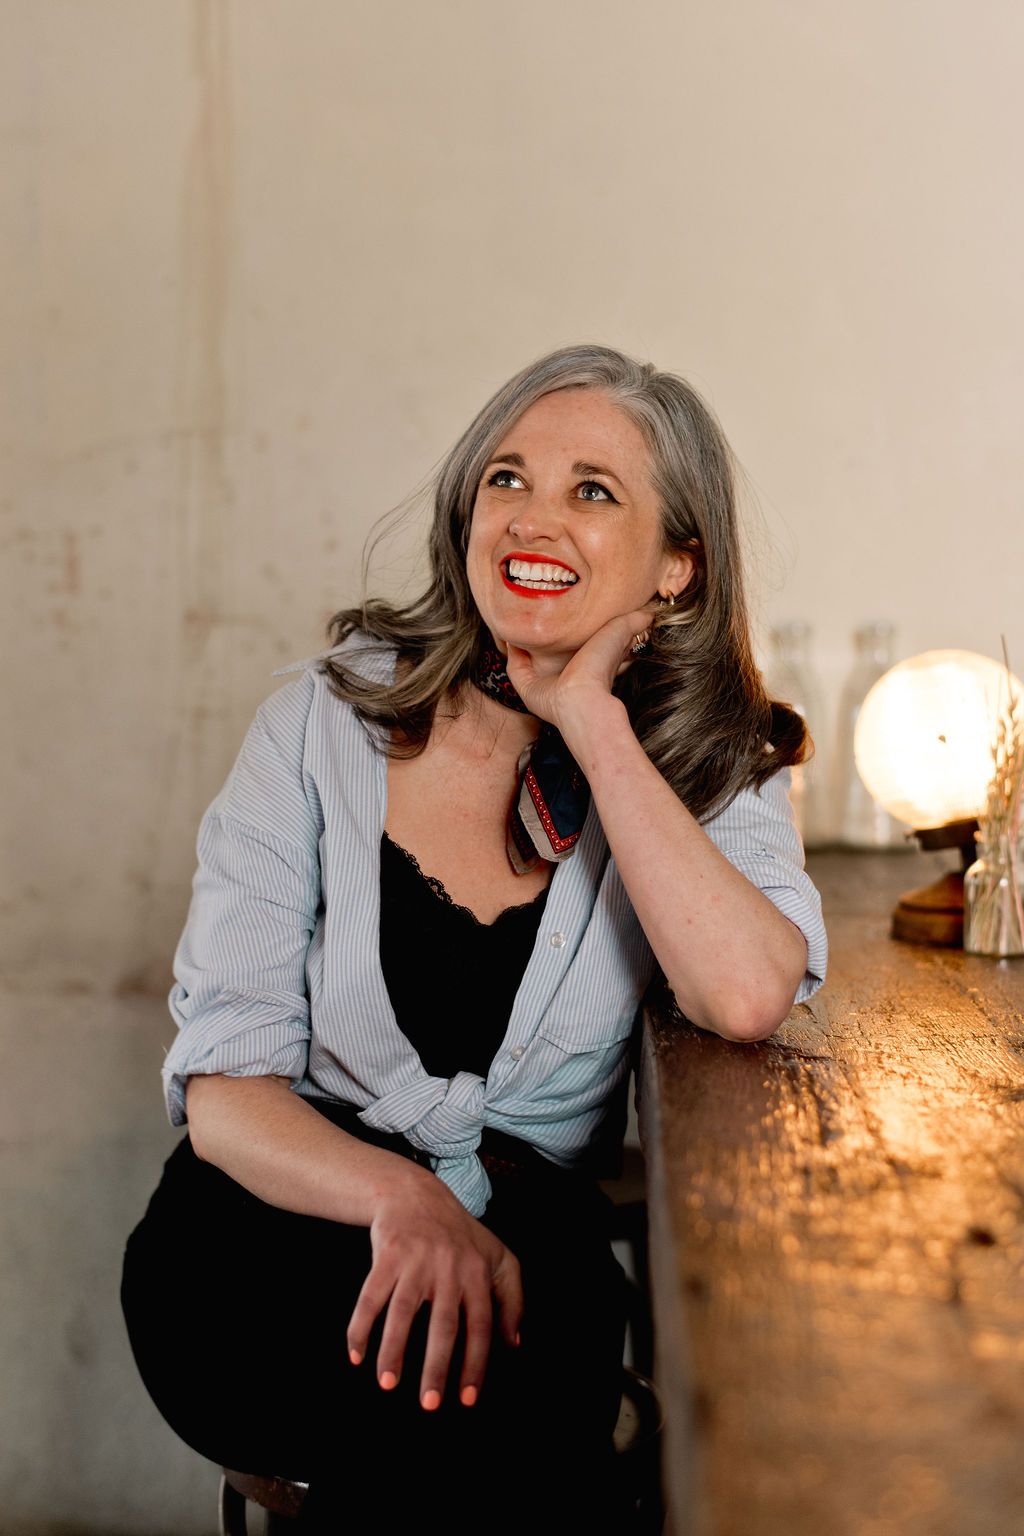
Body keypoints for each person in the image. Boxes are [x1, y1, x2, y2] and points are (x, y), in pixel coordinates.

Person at [119, 343, 827, 1533]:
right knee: (428, 1425)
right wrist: (405, 1202)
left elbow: (747, 993)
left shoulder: (709, 761)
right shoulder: (319, 720)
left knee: (487, 1405)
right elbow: (225, 1090)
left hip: (518, 1247)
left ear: (676, 567)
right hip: (280, 1213)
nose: (530, 517)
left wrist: (591, 722)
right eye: (505, 480)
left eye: (591, 491)